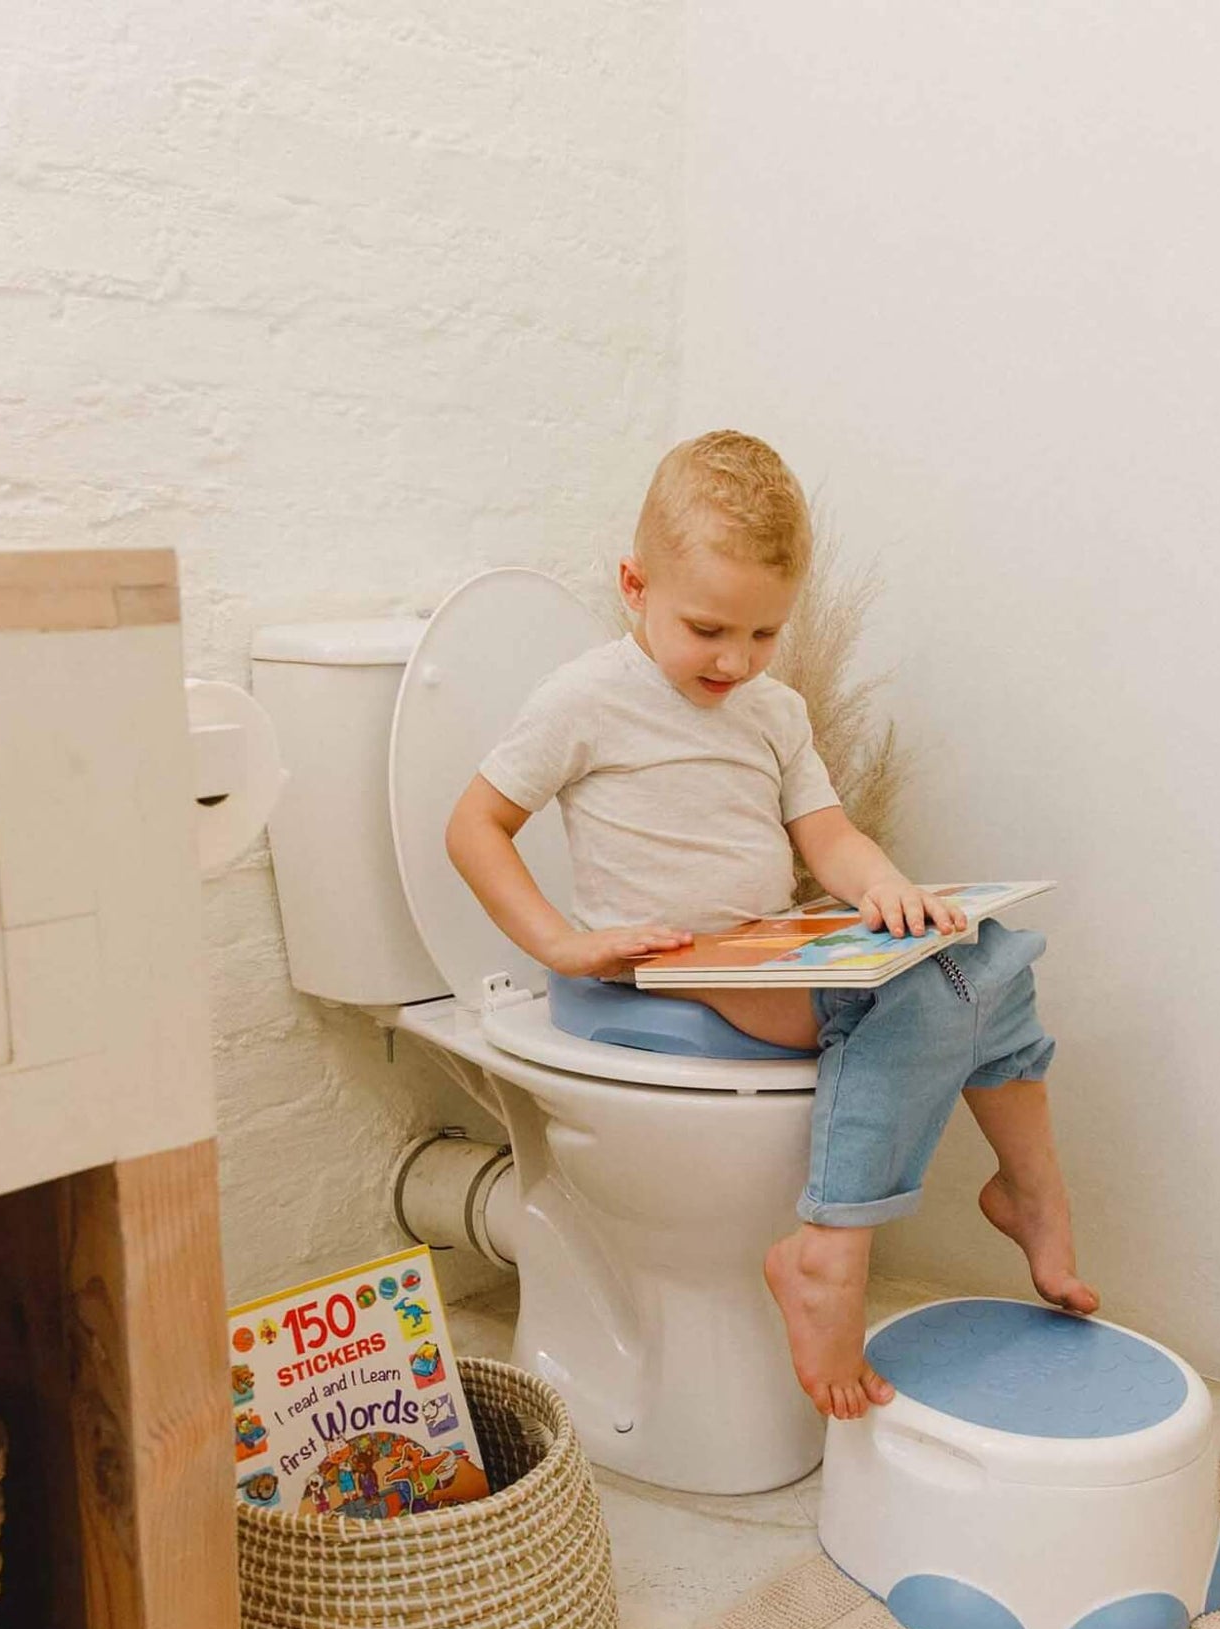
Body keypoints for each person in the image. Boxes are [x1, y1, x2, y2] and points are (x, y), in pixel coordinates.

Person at [447, 431, 1096, 1421]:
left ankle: (1027, 1194)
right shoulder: (584, 698)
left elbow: (824, 830)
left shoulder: (772, 708)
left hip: (766, 942)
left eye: (762, 635)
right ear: (634, 585)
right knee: (933, 996)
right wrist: (555, 943)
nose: (734, 659)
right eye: (708, 627)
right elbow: (473, 825)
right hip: (665, 968)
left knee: (991, 954)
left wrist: (883, 889)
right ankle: (825, 1252)